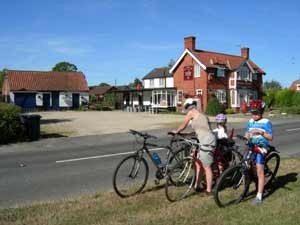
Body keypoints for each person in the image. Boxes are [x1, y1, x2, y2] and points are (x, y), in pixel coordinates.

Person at [174, 98, 216, 195]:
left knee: (206, 166)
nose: (186, 110)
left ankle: (209, 190)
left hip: (207, 141)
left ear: (188, 106)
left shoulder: (191, 113)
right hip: (203, 140)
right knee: (198, 164)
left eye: (186, 107)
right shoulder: (201, 114)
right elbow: (200, 130)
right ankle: (197, 186)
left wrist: (176, 132)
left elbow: (183, 124)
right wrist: (186, 134)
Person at [245, 99, 273, 205]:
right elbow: (247, 132)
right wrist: (246, 136)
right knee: (246, 168)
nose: (254, 115)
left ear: (261, 112)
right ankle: (246, 189)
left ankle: (259, 196)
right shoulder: (250, 122)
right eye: (252, 113)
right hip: (251, 146)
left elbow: (270, 137)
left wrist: (260, 132)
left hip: (261, 147)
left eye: (256, 113)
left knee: (259, 171)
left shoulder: (266, 122)